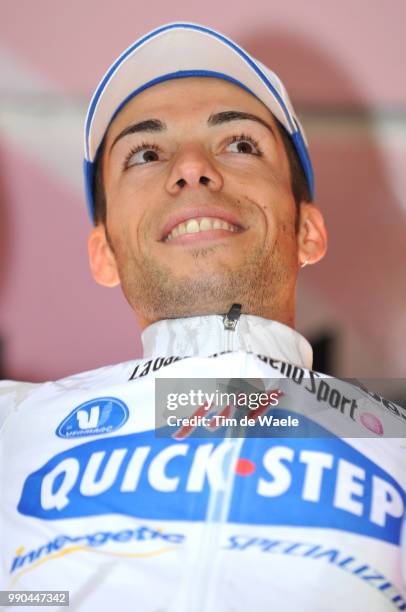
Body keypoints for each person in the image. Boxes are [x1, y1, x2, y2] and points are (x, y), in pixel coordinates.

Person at [1, 22, 405, 612]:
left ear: (310, 232)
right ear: (104, 253)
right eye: (145, 153)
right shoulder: (12, 428)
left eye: (240, 144)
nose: (191, 168)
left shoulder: (395, 439)